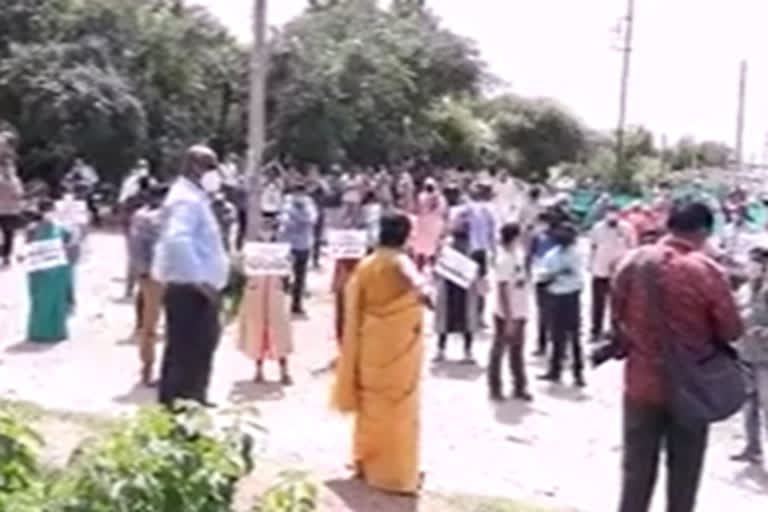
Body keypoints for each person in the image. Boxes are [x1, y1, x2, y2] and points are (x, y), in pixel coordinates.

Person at [611, 201, 743, 512]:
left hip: (641, 383)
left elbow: (616, 317)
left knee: (636, 474)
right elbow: (731, 330)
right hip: (691, 387)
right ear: (703, 232)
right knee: (684, 477)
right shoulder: (707, 271)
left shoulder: (631, 262)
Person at [332, 212, 429, 495]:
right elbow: (411, 276)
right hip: (396, 350)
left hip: (370, 345)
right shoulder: (399, 260)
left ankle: (366, 464)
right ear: (407, 235)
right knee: (397, 409)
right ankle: (395, 475)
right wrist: (423, 288)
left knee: (371, 407)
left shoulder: (367, 264)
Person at [152, 145, 229, 408]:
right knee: (187, 351)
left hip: (195, 289)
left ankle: (194, 401)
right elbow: (177, 241)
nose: (216, 173)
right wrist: (199, 280)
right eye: (211, 166)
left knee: (200, 348)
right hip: (190, 291)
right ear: (195, 167)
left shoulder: (195, 197)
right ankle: (178, 410)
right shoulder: (186, 199)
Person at [730, 245, 768, 464]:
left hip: (765, 358)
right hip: (745, 352)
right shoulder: (744, 289)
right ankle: (752, 448)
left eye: (755, 263)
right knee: (748, 404)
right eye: (749, 262)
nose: (750, 266)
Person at [536, 222, 585, 387]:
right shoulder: (552, 255)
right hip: (556, 298)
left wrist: (554, 276)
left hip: (571, 298)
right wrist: (556, 275)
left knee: (574, 338)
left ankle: (578, 374)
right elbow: (542, 276)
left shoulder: (576, 255)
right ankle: (555, 371)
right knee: (557, 337)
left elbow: (577, 278)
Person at [129, 184, 168, 386]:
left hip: (166, 275)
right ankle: (148, 369)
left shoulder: (164, 216)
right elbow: (136, 247)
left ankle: (155, 370)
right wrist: (143, 271)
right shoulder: (144, 217)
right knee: (151, 326)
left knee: (153, 326)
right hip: (154, 276)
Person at [489, 222, 532, 401]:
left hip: (520, 310)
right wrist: (508, 318)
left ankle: (519, 386)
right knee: (499, 351)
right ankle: (495, 388)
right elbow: (502, 289)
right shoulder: (504, 259)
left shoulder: (518, 255)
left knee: (517, 350)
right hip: (507, 313)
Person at [25, 199, 73, 343]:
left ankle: (57, 332)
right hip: (39, 271)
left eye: (52, 210)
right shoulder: (32, 228)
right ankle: (39, 332)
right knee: (40, 300)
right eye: (48, 210)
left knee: (57, 300)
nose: (50, 214)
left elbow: (70, 240)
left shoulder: (61, 227)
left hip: (58, 270)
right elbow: (28, 248)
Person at [433, 221, 481, 363]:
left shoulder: (447, 251)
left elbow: (437, 270)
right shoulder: (474, 251)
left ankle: (443, 351)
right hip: (460, 291)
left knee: (448, 321)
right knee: (463, 321)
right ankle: (466, 352)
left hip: (452, 290)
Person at [237, 269, 294, 386]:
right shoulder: (253, 254)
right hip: (257, 292)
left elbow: (287, 275)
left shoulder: (279, 255)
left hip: (273, 291)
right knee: (257, 331)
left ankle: (283, 371)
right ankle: (259, 371)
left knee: (279, 332)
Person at [589, 204, 636, 342]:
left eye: (615, 213)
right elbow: (593, 246)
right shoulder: (597, 228)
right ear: (605, 214)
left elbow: (632, 248)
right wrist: (591, 265)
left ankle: (616, 332)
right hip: (600, 270)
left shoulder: (627, 228)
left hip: (620, 272)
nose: (612, 216)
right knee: (598, 303)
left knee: (618, 304)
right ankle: (595, 331)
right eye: (609, 213)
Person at [277, 179, 318, 318]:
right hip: (286, 245)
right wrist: (300, 219)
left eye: (302, 193)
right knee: (283, 276)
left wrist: (297, 218)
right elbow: (285, 221)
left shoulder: (309, 204)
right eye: (297, 192)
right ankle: (279, 305)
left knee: (300, 277)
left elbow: (312, 219)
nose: (299, 195)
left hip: (303, 245)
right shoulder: (286, 202)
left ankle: (296, 306)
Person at [527, 211, 557, 356]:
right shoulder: (537, 237)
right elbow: (530, 255)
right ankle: (542, 344)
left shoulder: (557, 238)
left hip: (555, 278)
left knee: (554, 314)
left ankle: (556, 345)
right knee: (543, 313)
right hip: (540, 277)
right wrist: (528, 274)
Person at [412, 177, 447, 271]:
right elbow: (444, 213)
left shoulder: (421, 197)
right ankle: (434, 269)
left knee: (420, 250)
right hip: (435, 227)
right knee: (433, 250)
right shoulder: (442, 198)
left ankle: (419, 270)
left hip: (423, 226)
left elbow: (417, 210)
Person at [0, 132, 23, 267]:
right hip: (8, 207)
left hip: (9, 208)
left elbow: (18, 193)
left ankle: (6, 255)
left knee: (8, 232)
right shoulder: (12, 176)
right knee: (8, 232)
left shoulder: (12, 175)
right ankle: (6, 255)